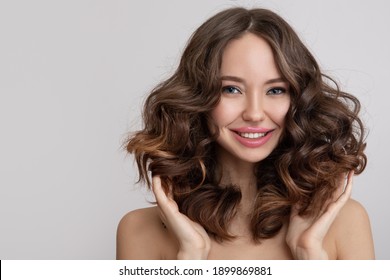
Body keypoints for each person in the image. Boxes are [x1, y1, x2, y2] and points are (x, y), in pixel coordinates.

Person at [116, 7, 375, 259]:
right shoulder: (140, 231)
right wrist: (190, 258)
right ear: (197, 98)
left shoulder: (345, 224)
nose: (254, 113)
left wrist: (311, 257)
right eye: (231, 89)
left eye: (275, 90)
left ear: (297, 100)